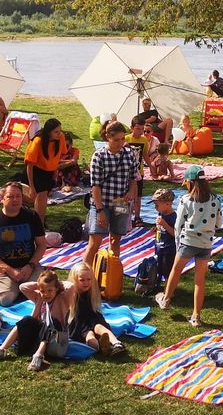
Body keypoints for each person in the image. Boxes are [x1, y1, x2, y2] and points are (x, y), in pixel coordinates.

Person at [155, 166, 222, 326]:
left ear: (190, 182)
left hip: (188, 241)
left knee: (176, 271)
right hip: (206, 243)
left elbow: (178, 225)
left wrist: (178, 241)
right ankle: (196, 316)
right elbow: (219, 223)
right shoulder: (216, 200)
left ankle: (165, 299)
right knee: (199, 281)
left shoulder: (185, 200)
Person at [0, 270, 73, 372]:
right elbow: (23, 287)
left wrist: (58, 283)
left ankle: (39, 356)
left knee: (49, 324)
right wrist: (40, 285)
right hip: (37, 339)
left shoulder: (62, 299)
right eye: (43, 291)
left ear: (56, 289)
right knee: (27, 319)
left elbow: (71, 287)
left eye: (50, 290)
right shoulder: (39, 298)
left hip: (54, 341)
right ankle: (1, 349)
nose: (46, 294)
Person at [0, 180, 47, 306]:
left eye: (18, 196)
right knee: (6, 300)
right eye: (10, 196)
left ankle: (22, 289)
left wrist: (30, 266)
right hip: (4, 269)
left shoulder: (32, 216)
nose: (15, 200)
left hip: (29, 266)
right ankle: (18, 290)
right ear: (1, 198)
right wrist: (9, 270)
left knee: (47, 293)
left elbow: (42, 244)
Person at [84, 121, 139, 267]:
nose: (121, 143)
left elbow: (134, 177)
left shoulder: (129, 154)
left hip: (121, 202)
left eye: (123, 139)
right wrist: (100, 210)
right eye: (116, 140)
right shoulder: (99, 156)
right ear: (108, 137)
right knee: (95, 242)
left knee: (115, 240)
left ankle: (110, 275)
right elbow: (95, 185)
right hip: (101, 202)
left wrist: (130, 192)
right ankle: (83, 275)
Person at [65, 262, 125, 354]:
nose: (86, 283)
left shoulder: (92, 292)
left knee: (100, 327)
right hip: (78, 321)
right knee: (89, 334)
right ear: (74, 280)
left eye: (89, 279)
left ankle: (117, 343)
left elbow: (93, 309)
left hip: (92, 317)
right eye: (82, 280)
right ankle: (101, 348)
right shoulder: (72, 293)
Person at [24, 117, 66, 222]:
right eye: (56, 131)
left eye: (59, 131)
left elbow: (57, 156)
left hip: (49, 172)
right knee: (39, 196)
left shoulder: (60, 138)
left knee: (42, 198)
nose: (59, 133)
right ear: (48, 132)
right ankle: (39, 223)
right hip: (36, 171)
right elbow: (29, 165)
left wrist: (55, 173)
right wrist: (32, 186)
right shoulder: (38, 141)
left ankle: (39, 222)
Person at [152, 188, 178, 285]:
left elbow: (175, 234)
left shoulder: (173, 217)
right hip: (160, 246)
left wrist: (165, 225)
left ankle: (169, 291)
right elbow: (160, 228)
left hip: (169, 249)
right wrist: (156, 228)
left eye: (157, 205)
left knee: (168, 270)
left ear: (167, 203)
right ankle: (157, 284)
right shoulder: (161, 213)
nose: (155, 207)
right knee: (159, 268)